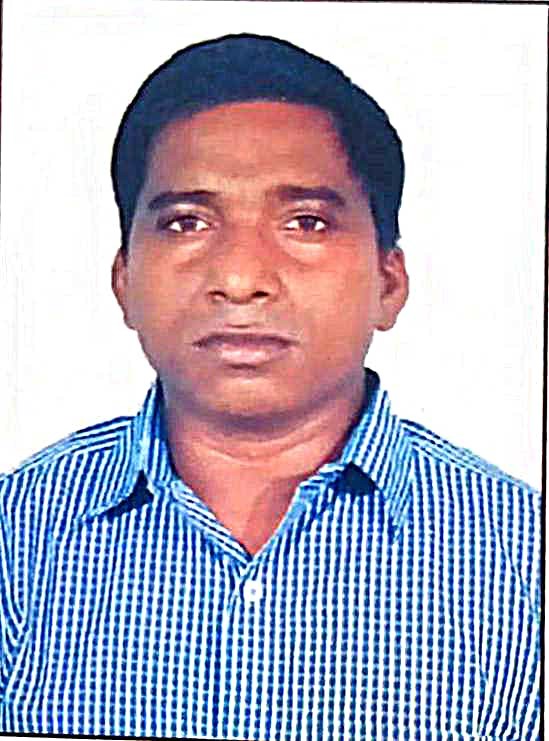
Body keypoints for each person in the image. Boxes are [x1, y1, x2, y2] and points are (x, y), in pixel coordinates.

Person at [0, 33, 539, 740]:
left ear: (388, 281)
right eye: (186, 222)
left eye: (305, 222)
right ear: (124, 280)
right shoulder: (19, 532)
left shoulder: (525, 557)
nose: (239, 278)